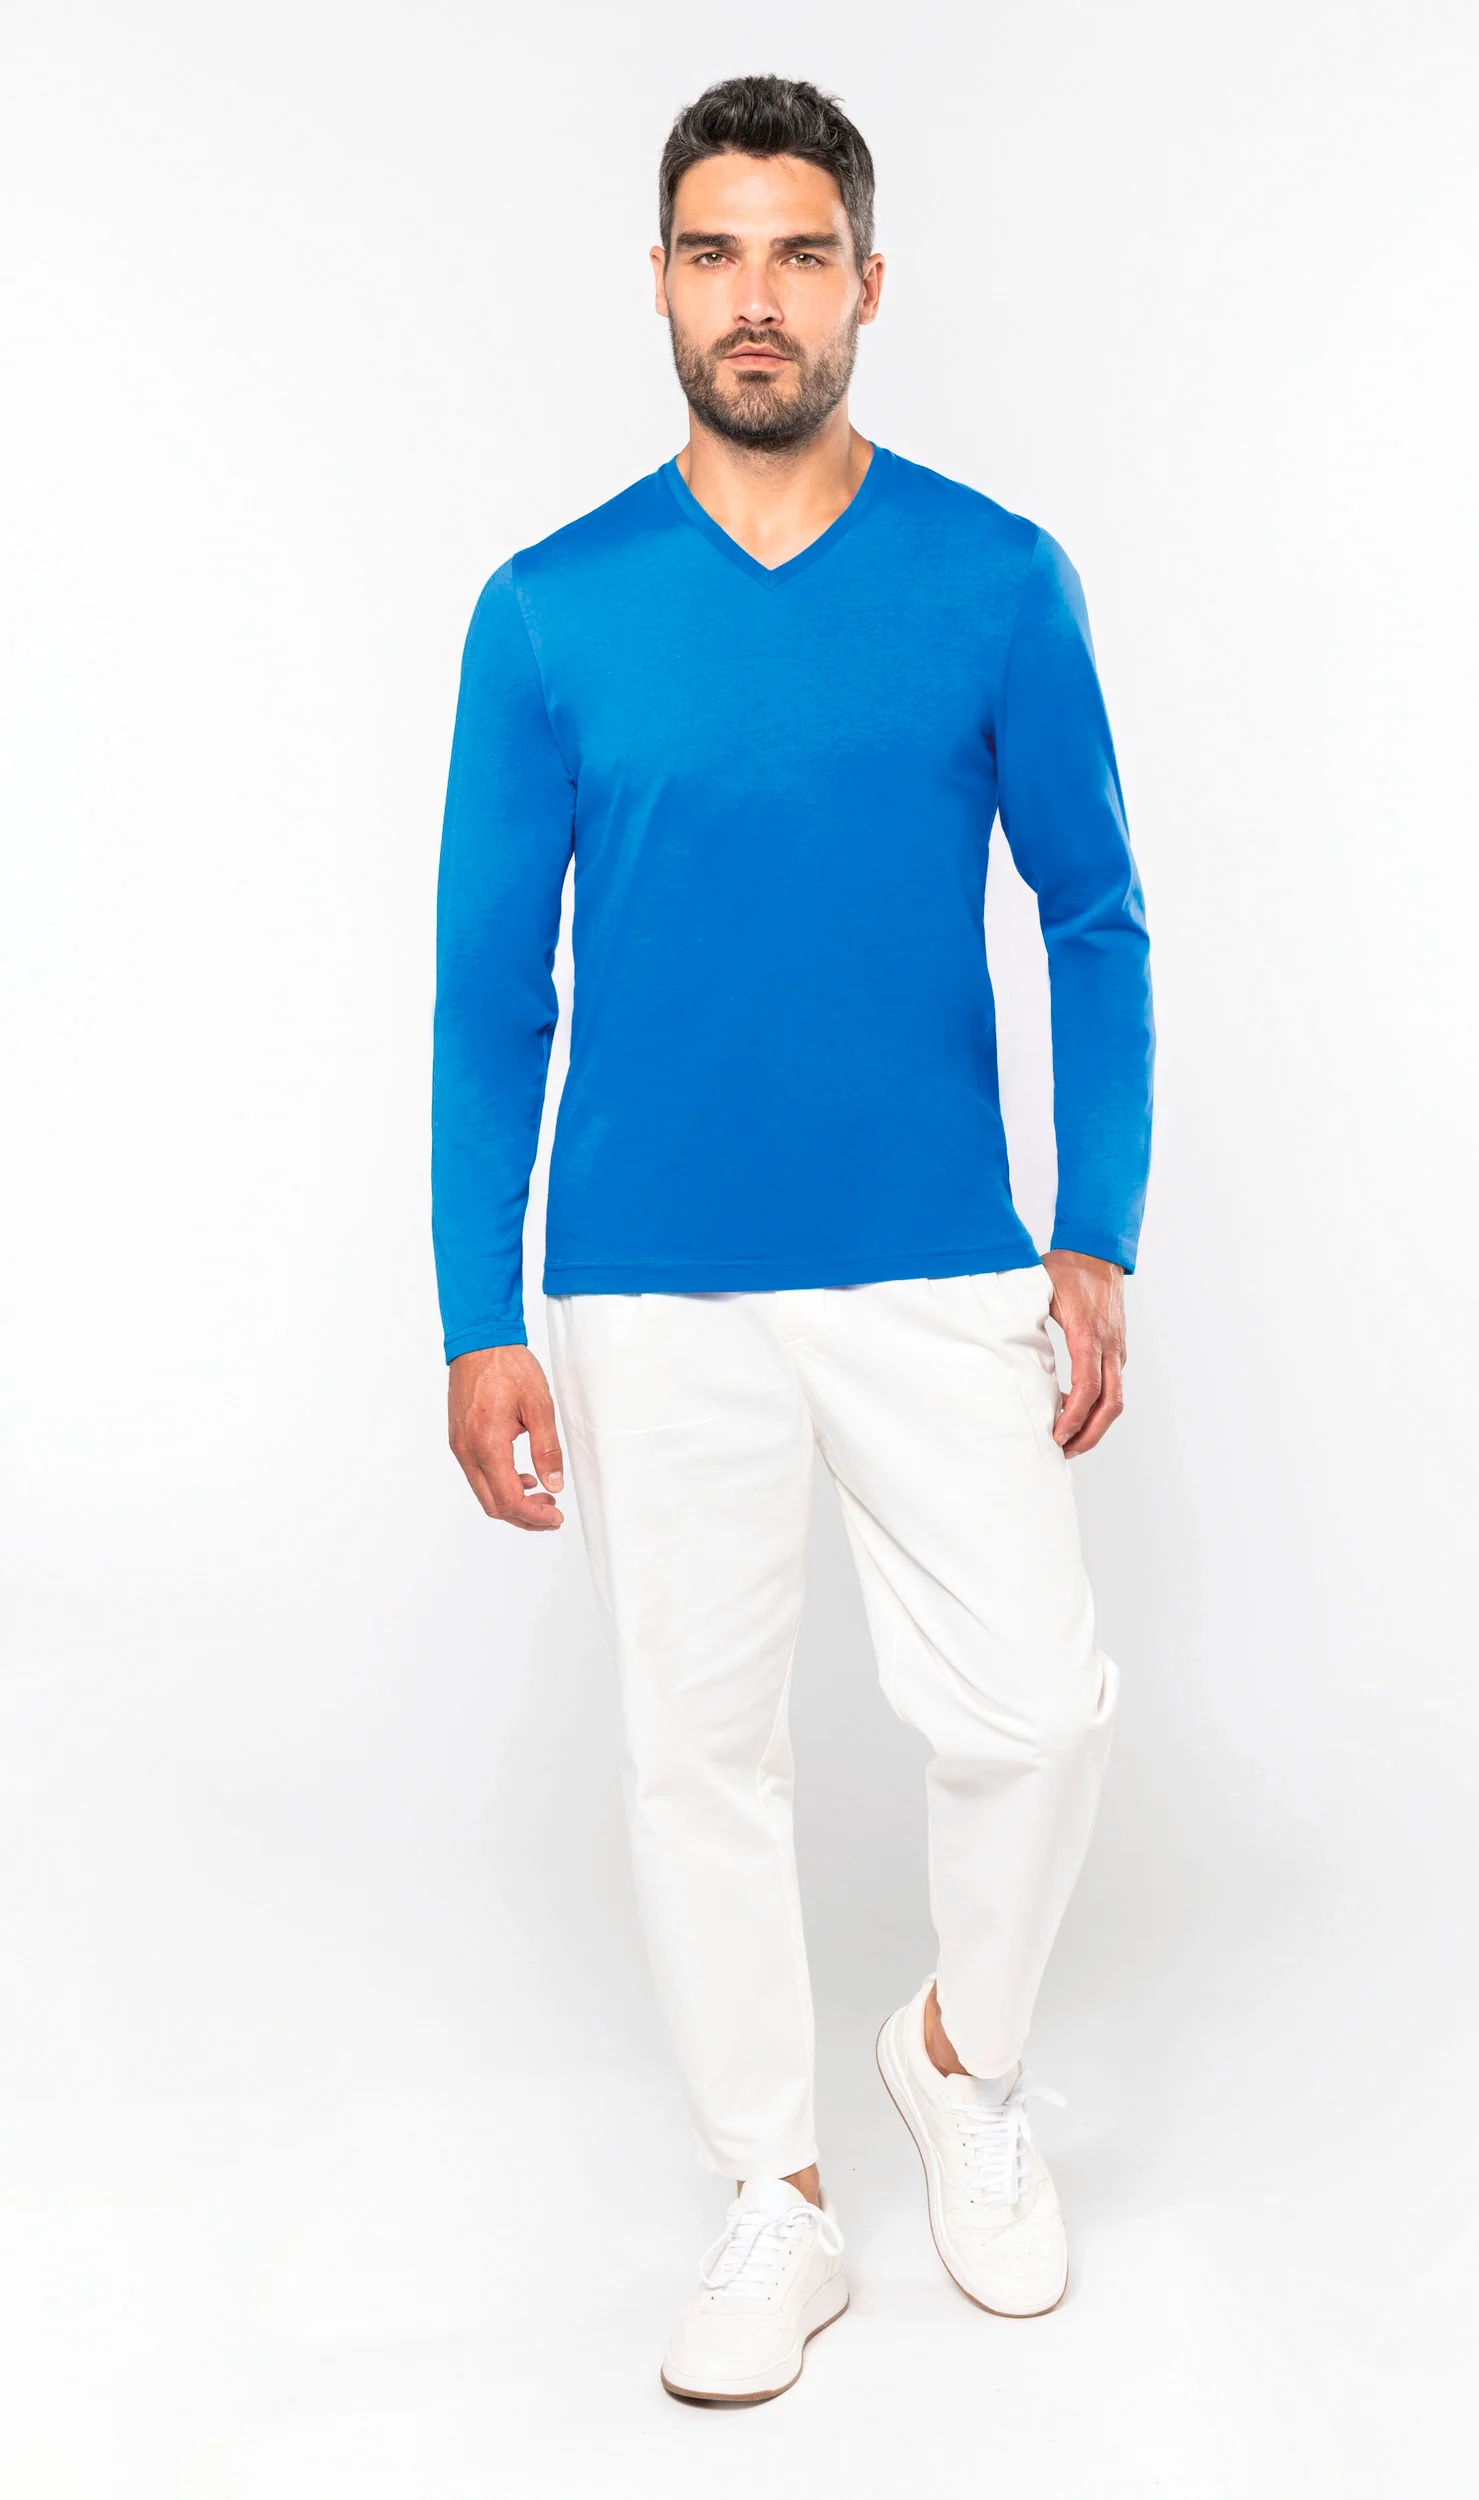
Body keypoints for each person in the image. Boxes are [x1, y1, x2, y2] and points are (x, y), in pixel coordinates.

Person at [431, 73, 1155, 2405]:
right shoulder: (548, 612)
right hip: (647, 1280)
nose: (756, 296)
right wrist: (474, 1306)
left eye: (798, 251)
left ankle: (957, 2054)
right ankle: (777, 2189)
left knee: (1032, 1706)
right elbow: (488, 988)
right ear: (658, 281)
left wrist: (1093, 1225)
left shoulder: (991, 578)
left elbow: (1094, 913)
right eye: (713, 250)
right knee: (696, 1752)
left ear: (865, 281)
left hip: (933, 1254)